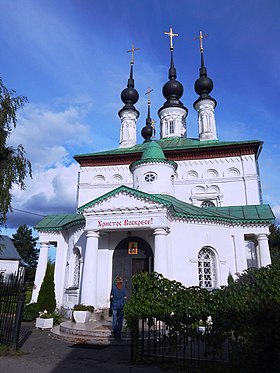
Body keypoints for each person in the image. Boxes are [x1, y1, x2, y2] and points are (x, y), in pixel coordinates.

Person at [110, 275, 127, 341]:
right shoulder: (123, 288)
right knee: (120, 321)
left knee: (114, 320)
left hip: (114, 305)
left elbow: (111, 296)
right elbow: (125, 296)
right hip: (121, 306)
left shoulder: (114, 287)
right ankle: (119, 335)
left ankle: (115, 333)